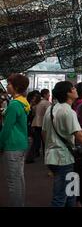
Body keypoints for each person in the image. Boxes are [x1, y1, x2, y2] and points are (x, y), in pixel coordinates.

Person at [0, 74, 30, 207]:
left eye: (9, 84)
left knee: (13, 181)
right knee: (19, 178)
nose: (7, 86)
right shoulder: (23, 102)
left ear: (16, 87)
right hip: (21, 144)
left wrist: (0, 145)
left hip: (12, 145)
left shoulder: (14, 105)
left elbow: (6, 129)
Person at [27, 89, 51, 163]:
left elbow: (33, 112)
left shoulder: (37, 102)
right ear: (44, 95)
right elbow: (49, 114)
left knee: (36, 141)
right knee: (45, 141)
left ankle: (30, 157)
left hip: (35, 123)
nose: (49, 95)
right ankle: (46, 156)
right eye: (48, 94)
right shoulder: (47, 103)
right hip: (43, 124)